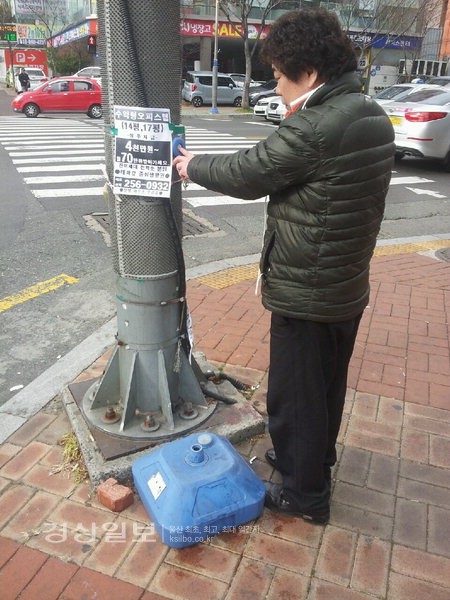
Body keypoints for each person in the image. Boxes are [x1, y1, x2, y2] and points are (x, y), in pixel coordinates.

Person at [174, 8, 395, 524]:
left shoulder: (319, 125)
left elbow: (251, 171)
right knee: (325, 385)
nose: (275, 82)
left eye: (278, 73)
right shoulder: (368, 112)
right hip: (344, 282)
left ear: (310, 73)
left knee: (295, 394)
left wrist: (190, 166)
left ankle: (305, 494)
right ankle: (311, 460)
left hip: (307, 286)